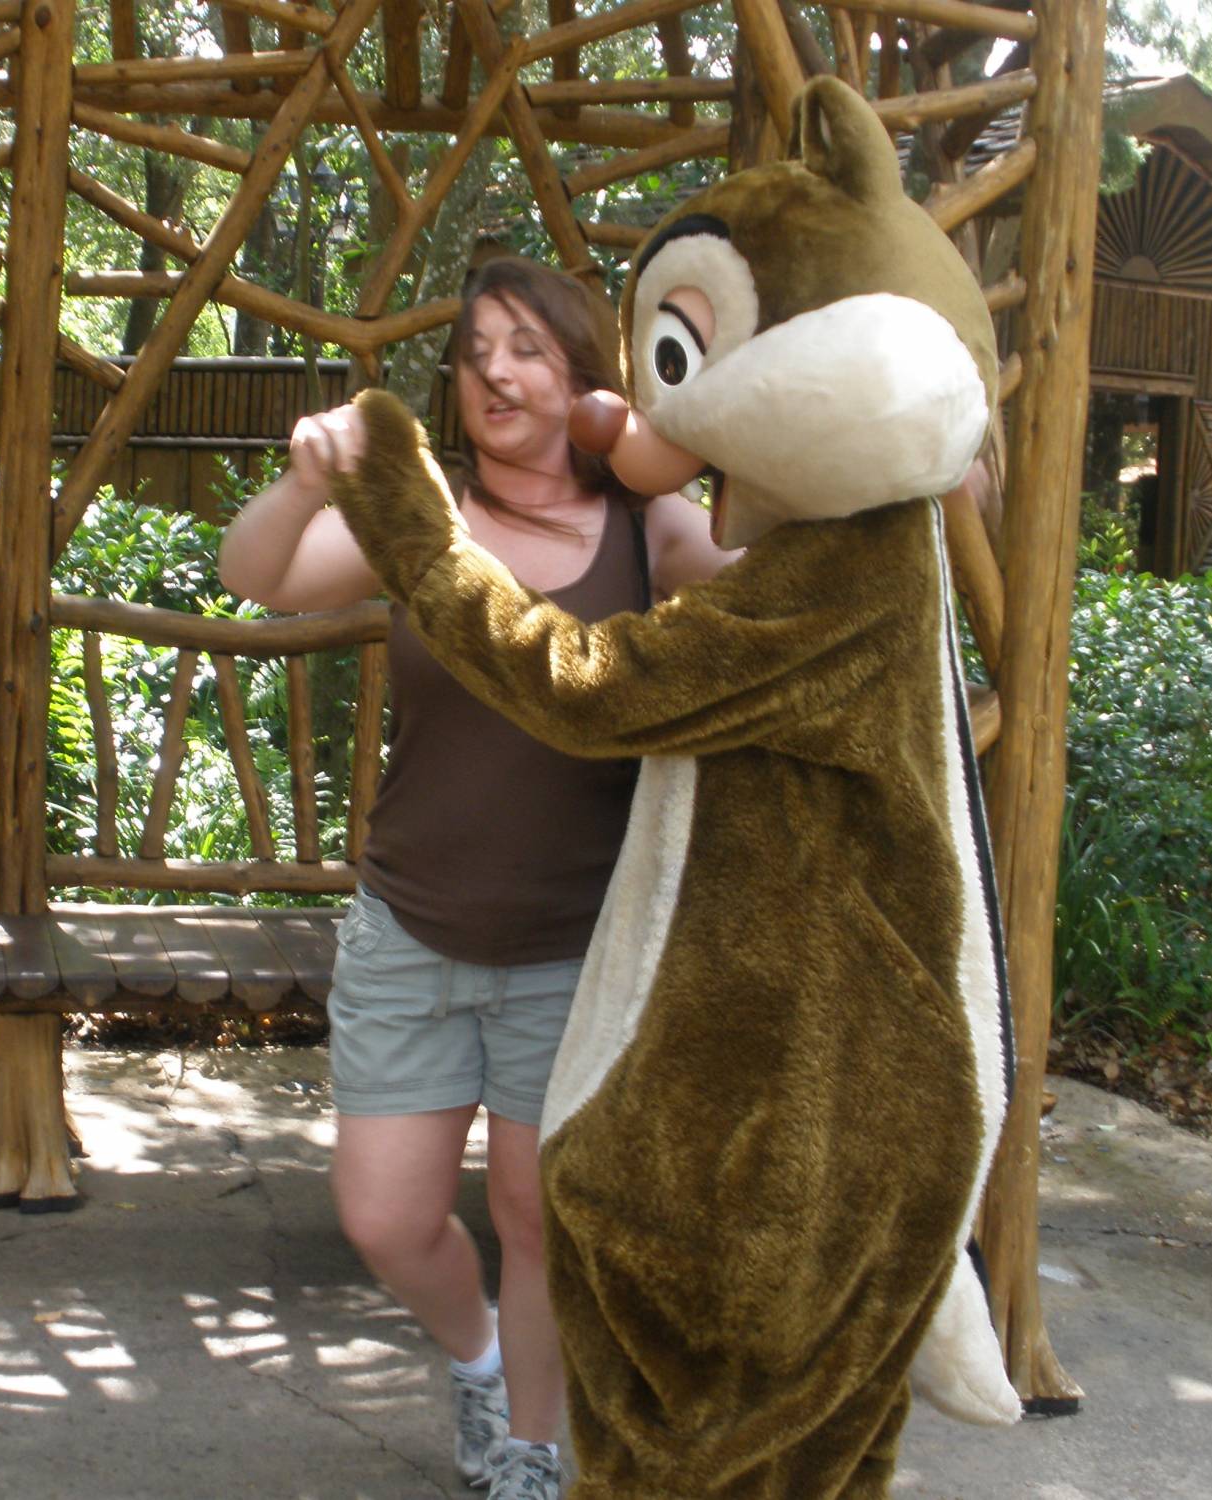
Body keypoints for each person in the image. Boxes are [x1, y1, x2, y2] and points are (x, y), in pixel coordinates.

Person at [217, 255, 740, 1500]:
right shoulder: (419, 519)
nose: (495, 371)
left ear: (582, 378)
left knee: (531, 1216)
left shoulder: (644, 527)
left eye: (528, 349)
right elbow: (259, 577)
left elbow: (782, 600)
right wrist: (300, 485)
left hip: (575, 942)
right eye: (475, 352)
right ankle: (480, 1363)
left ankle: (531, 1447)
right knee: (385, 1220)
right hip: (412, 926)